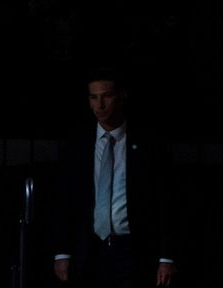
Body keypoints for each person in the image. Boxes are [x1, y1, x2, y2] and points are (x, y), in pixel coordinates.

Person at [53, 69, 176, 288]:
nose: (100, 105)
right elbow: (65, 199)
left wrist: (165, 257)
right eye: (93, 97)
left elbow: (164, 201)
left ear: (122, 96)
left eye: (107, 96)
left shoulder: (147, 144)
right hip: (89, 248)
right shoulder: (79, 144)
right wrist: (62, 252)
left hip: (132, 248)